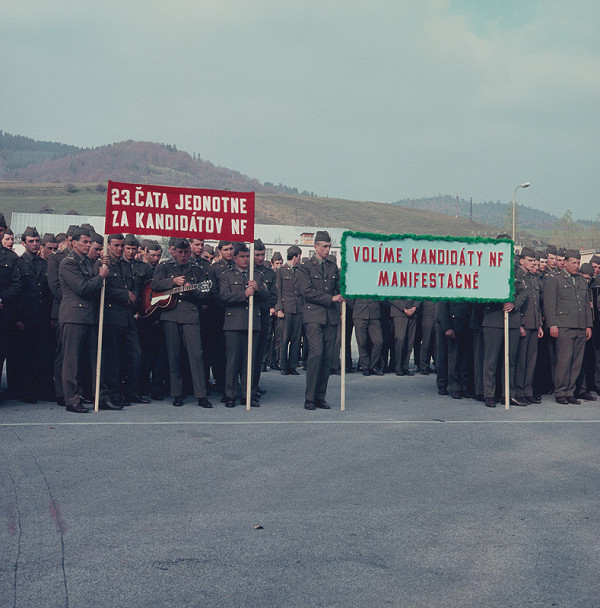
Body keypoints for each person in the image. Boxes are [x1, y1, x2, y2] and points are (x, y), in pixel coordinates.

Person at [151, 239, 212, 408]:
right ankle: (177, 393)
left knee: (196, 355)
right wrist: (172, 282)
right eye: (180, 252)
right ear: (174, 252)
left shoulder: (197, 269)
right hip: (170, 315)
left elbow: (204, 294)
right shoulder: (164, 266)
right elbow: (154, 284)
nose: (183, 255)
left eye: (186, 252)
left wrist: (193, 289)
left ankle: (201, 394)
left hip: (190, 316)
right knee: (174, 356)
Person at [58, 228, 112, 413]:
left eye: (90, 242)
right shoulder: (69, 263)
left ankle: (99, 396)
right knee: (71, 361)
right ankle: (71, 399)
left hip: (88, 317)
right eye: (85, 242)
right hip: (74, 316)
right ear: (73, 243)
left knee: (93, 359)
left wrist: (101, 265)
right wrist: (101, 276)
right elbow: (82, 288)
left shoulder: (88, 262)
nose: (88, 245)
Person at [96, 233, 146, 407]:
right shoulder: (103, 264)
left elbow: (133, 287)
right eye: (116, 245)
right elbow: (103, 289)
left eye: (121, 245)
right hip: (112, 316)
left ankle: (130, 391)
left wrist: (132, 297)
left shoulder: (124, 265)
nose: (120, 249)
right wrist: (125, 295)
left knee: (135, 355)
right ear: (108, 245)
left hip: (128, 317)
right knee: (112, 359)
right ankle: (109, 395)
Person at [296, 231, 343, 410]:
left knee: (327, 358)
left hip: (330, 317)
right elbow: (307, 291)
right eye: (324, 246)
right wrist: (331, 299)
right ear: (315, 247)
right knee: (315, 355)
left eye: (329, 246)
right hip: (313, 316)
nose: (327, 249)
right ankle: (309, 397)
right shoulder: (305, 267)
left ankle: (320, 396)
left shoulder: (332, 265)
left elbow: (339, 286)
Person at [219, 242, 269, 408]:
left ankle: (248, 395)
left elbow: (266, 296)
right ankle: (230, 394)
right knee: (232, 361)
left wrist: (258, 289)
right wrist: (244, 294)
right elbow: (224, 296)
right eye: (242, 257)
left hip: (252, 323)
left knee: (250, 362)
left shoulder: (257, 275)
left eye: (248, 256)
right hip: (234, 323)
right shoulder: (227, 275)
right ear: (235, 258)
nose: (246, 260)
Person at [543, 249, 592, 404]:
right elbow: (549, 304)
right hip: (563, 326)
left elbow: (585, 305)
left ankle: (570, 391)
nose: (577, 265)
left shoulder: (582, 280)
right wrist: (553, 325)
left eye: (578, 263)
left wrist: (588, 326)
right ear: (565, 262)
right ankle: (560, 392)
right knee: (564, 360)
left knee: (577, 362)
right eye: (574, 262)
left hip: (580, 326)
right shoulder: (555, 279)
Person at [14, 227, 54, 402]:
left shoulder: (45, 264)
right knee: (26, 356)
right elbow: (16, 293)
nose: (35, 244)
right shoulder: (19, 263)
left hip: (42, 316)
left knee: (42, 355)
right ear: (23, 243)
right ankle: (26, 391)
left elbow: (49, 292)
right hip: (26, 317)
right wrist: (18, 318)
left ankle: (42, 389)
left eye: (37, 241)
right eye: (31, 241)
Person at [515, 248, 543, 404]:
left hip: (533, 323)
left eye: (534, 261)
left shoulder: (533, 278)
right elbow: (518, 304)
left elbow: (536, 305)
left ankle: (527, 390)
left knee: (531, 360)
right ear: (521, 261)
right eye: (530, 260)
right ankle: (519, 391)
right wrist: (519, 324)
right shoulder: (518, 276)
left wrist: (539, 324)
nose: (533, 263)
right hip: (523, 324)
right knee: (521, 361)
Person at [276, 245, 303, 375]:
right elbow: (278, 291)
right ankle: (283, 365)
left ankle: (292, 365)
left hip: (298, 309)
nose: (300, 259)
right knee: (284, 338)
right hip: (285, 309)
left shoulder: (300, 270)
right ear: (295, 257)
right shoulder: (281, 271)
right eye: (299, 256)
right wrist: (279, 308)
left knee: (296, 339)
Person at [352, 298, 384, 376]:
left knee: (378, 341)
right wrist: (357, 308)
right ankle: (365, 366)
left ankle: (373, 366)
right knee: (361, 342)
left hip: (374, 315)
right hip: (359, 314)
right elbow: (350, 300)